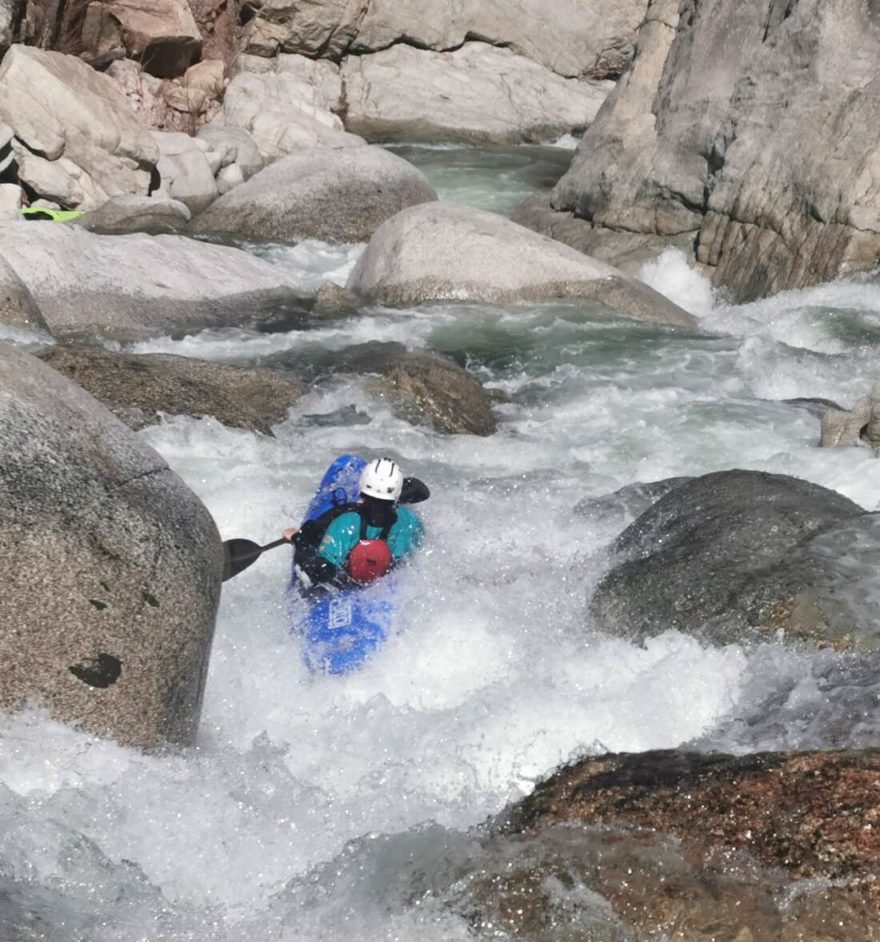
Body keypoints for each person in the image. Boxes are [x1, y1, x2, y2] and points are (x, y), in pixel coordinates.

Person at [284, 457, 424, 594]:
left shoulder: (347, 523)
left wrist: (298, 539)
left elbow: (322, 571)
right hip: (383, 584)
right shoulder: (409, 520)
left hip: (345, 584)